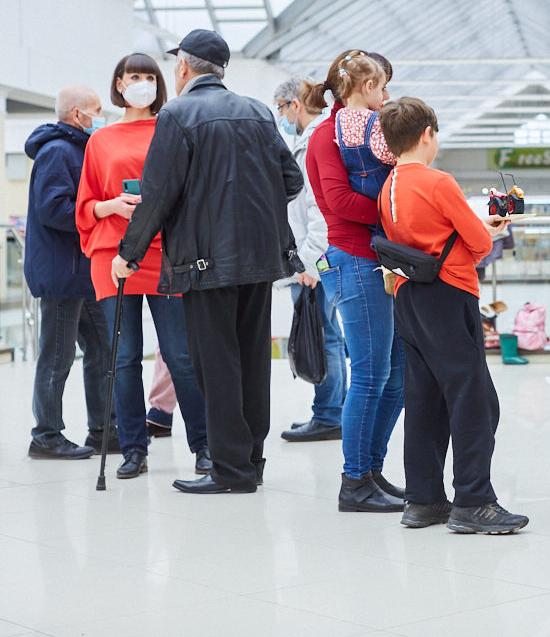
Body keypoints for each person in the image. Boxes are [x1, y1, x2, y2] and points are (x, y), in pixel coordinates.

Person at [112, 29, 304, 494]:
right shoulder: (258, 111)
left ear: (184, 67)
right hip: (259, 261)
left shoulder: (177, 114)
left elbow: (157, 196)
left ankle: (230, 471)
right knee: (253, 364)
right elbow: (291, 180)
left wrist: (128, 255)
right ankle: (250, 464)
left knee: (216, 367)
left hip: (204, 263)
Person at [379, 96, 528, 534]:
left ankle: (422, 500)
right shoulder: (438, 181)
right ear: (428, 135)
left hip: (409, 297)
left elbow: (422, 236)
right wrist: (488, 229)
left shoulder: (388, 186)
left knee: (424, 401)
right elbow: (479, 246)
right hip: (449, 294)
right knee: (474, 400)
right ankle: (473, 501)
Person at [77, 53, 210, 481]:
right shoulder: (100, 140)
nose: (142, 83)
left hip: (166, 254)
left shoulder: (173, 127)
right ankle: (133, 449)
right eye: (133, 76)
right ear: (118, 84)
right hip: (113, 257)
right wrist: (111, 204)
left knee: (181, 355)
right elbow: (85, 205)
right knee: (124, 357)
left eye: (149, 76)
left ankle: (204, 445)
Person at [304, 50, 407, 512]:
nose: (387, 97)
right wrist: (401, 215)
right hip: (355, 259)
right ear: (366, 87)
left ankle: (371, 469)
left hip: (383, 261)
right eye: (382, 87)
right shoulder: (327, 135)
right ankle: (354, 482)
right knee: (370, 374)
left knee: (398, 374)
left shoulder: (368, 133)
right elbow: (341, 201)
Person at [24, 85, 111, 460]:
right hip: (62, 273)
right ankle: (45, 436)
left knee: (104, 350)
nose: (101, 115)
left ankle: (104, 429)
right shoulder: (58, 152)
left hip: (83, 272)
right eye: (96, 109)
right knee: (56, 358)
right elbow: (53, 209)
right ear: (78, 115)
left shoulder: (80, 148)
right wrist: (98, 212)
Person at [273, 76, 348, 442]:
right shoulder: (311, 140)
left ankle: (330, 414)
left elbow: (319, 209)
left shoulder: (314, 141)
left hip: (315, 260)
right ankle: (332, 411)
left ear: (295, 105)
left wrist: (308, 263)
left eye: (281, 108)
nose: (281, 117)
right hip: (316, 258)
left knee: (324, 336)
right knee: (328, 334)